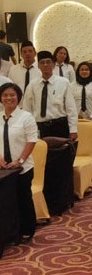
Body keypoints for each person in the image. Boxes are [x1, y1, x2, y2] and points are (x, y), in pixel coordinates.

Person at [0, 83, 38, 243]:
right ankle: (10, 232)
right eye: (5, 95)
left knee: (23, 198)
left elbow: (31, 141)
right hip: (3, 169)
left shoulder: (26, 117)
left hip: (23, 167)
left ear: (18, 97)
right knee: (6, 201)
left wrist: (20, 160)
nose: (8, 98)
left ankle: (27, 230)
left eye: (12, 95)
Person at [23, 51, 78, 140]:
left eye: (48, 62)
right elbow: (27, 108)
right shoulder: (32, 85)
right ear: (38, 66)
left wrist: (73, 130)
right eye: (42, 63)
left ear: (53, 64)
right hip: (39, 127)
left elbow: (71, 108)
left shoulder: (64, 82)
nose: (45, 65)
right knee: (41, 149)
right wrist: (27, 128)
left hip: (60, 126)